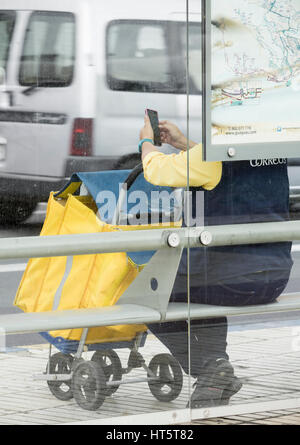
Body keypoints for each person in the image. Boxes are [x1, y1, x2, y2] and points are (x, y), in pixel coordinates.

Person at [138, 114, 293, 408]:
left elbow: (157, 171)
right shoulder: (268, 150)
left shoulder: (216, 153)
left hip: (232, 280)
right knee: (197, 285)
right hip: (273, 277)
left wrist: (147, 141)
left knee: (148, 295)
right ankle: (214, 369)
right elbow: (221, 168)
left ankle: (211, 369)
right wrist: (183, 143)